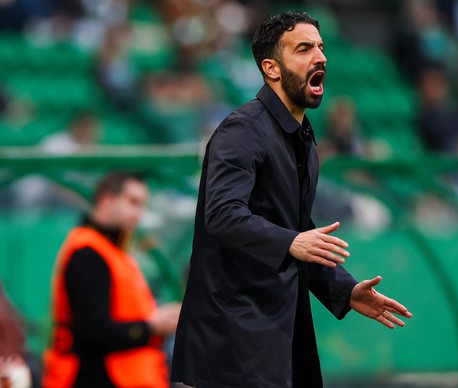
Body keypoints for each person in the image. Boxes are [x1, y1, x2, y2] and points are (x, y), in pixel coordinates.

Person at [171, 11, 412, 388]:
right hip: (234, 342)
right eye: (304, 49)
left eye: (320, 47)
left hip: (277, 334)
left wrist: (345, 290)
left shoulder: (301, 137)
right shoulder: (243, 130)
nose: (320, 56)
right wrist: (293, 241)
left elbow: (298, 234)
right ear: (272, 68)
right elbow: (221, 214)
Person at [43, 171, 181, 388]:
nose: (138, 214)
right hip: (94, 378)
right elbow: (93, 331)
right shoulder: (87, 252)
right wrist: (152, 327)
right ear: (107, 200)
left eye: (142, 205)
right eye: (132, 202)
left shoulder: (113, 252)